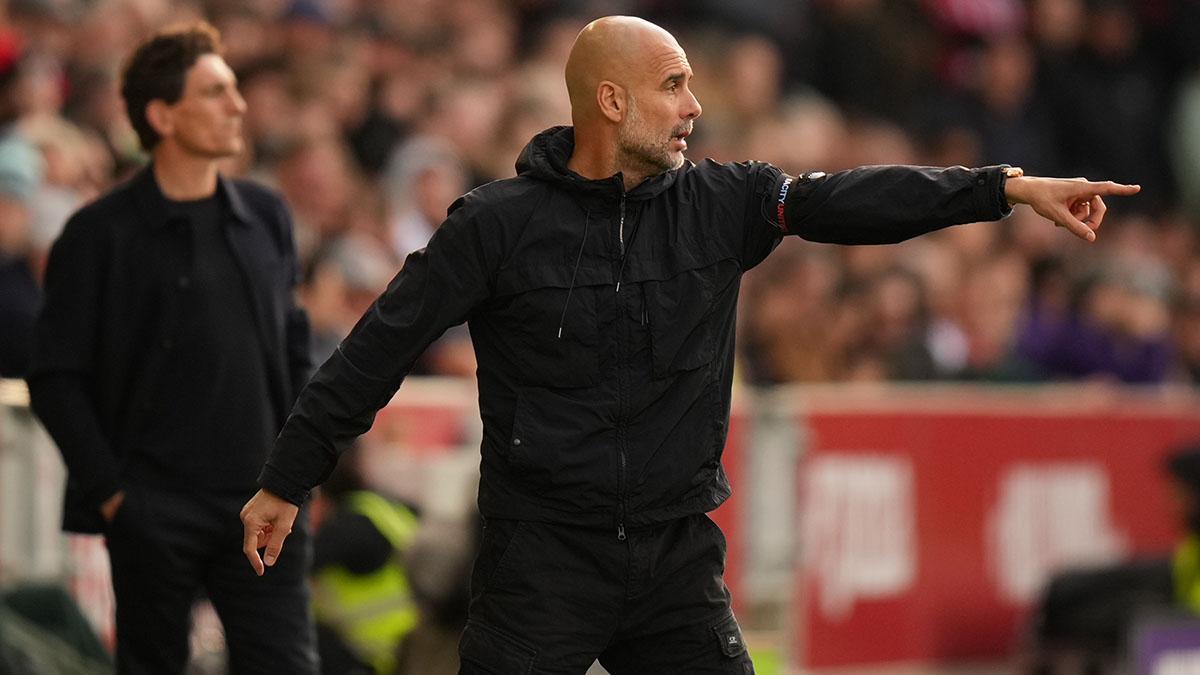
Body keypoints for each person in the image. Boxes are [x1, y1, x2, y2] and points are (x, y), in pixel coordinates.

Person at [241, 15, 1140, 673]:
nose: (694, 106)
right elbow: (376, 348)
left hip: (675, 560)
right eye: (674, 85)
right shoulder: (496, 226)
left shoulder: (726, 202)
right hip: (539, 563)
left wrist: (1004, 188)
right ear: (610, 98)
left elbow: (853, 201)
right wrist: (289, 476)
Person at [28, 22, 318, 674]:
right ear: (162, 114)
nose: (238, 105)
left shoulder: (266, 214)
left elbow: (295, 346)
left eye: (235, 90)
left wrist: (301, 469)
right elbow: (55, 375)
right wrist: (114, 497)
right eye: (216, 92)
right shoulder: (98, 234)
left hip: (262, 505)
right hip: (152, 509)